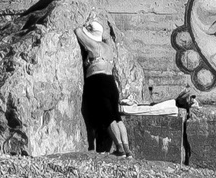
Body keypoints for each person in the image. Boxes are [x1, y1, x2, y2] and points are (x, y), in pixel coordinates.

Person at [75, 17, 193, 156]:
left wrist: (86, 25)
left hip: (98, 81)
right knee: (117, 118)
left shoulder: (94, 46)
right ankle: (127, 149)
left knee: (108, 119)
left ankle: (119, 148)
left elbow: (78, 32)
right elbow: (106, 36)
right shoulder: (108, 47)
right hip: (111, 83)